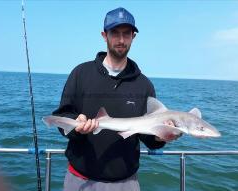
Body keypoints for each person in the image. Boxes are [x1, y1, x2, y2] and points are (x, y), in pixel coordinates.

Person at [52, 7, 180, 191]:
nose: (121, 40)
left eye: (126, 34)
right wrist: (76, 125)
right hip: (80, 180)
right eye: (115, 33)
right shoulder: (81, 73)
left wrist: (164, 136)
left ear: (133, 37)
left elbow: (149, 139)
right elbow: (63, 115)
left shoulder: (144, 85)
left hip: (126, 183)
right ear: (104, 35)